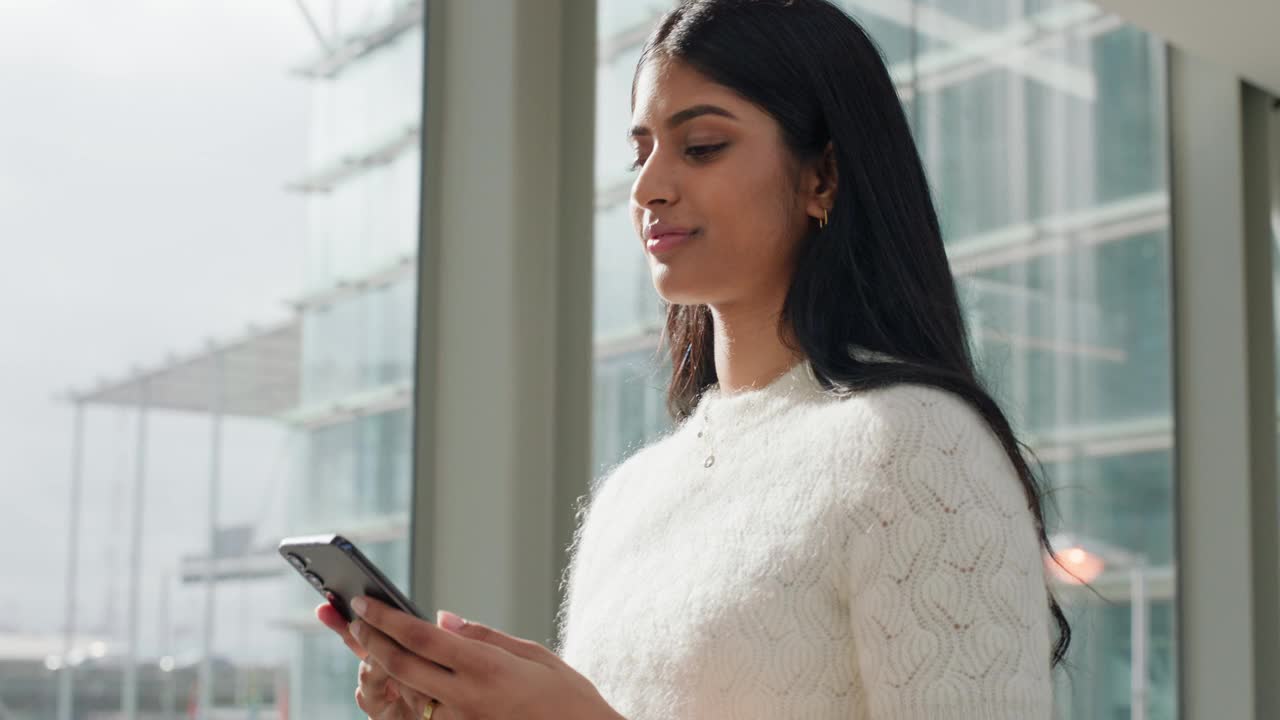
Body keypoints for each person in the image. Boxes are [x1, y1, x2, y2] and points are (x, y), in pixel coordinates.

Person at [317, 0, 1071, 717]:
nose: (648, 187)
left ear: (823, 178)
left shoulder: (917, 447)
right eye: (640, 153)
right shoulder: (628, 501)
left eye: (701, 147)